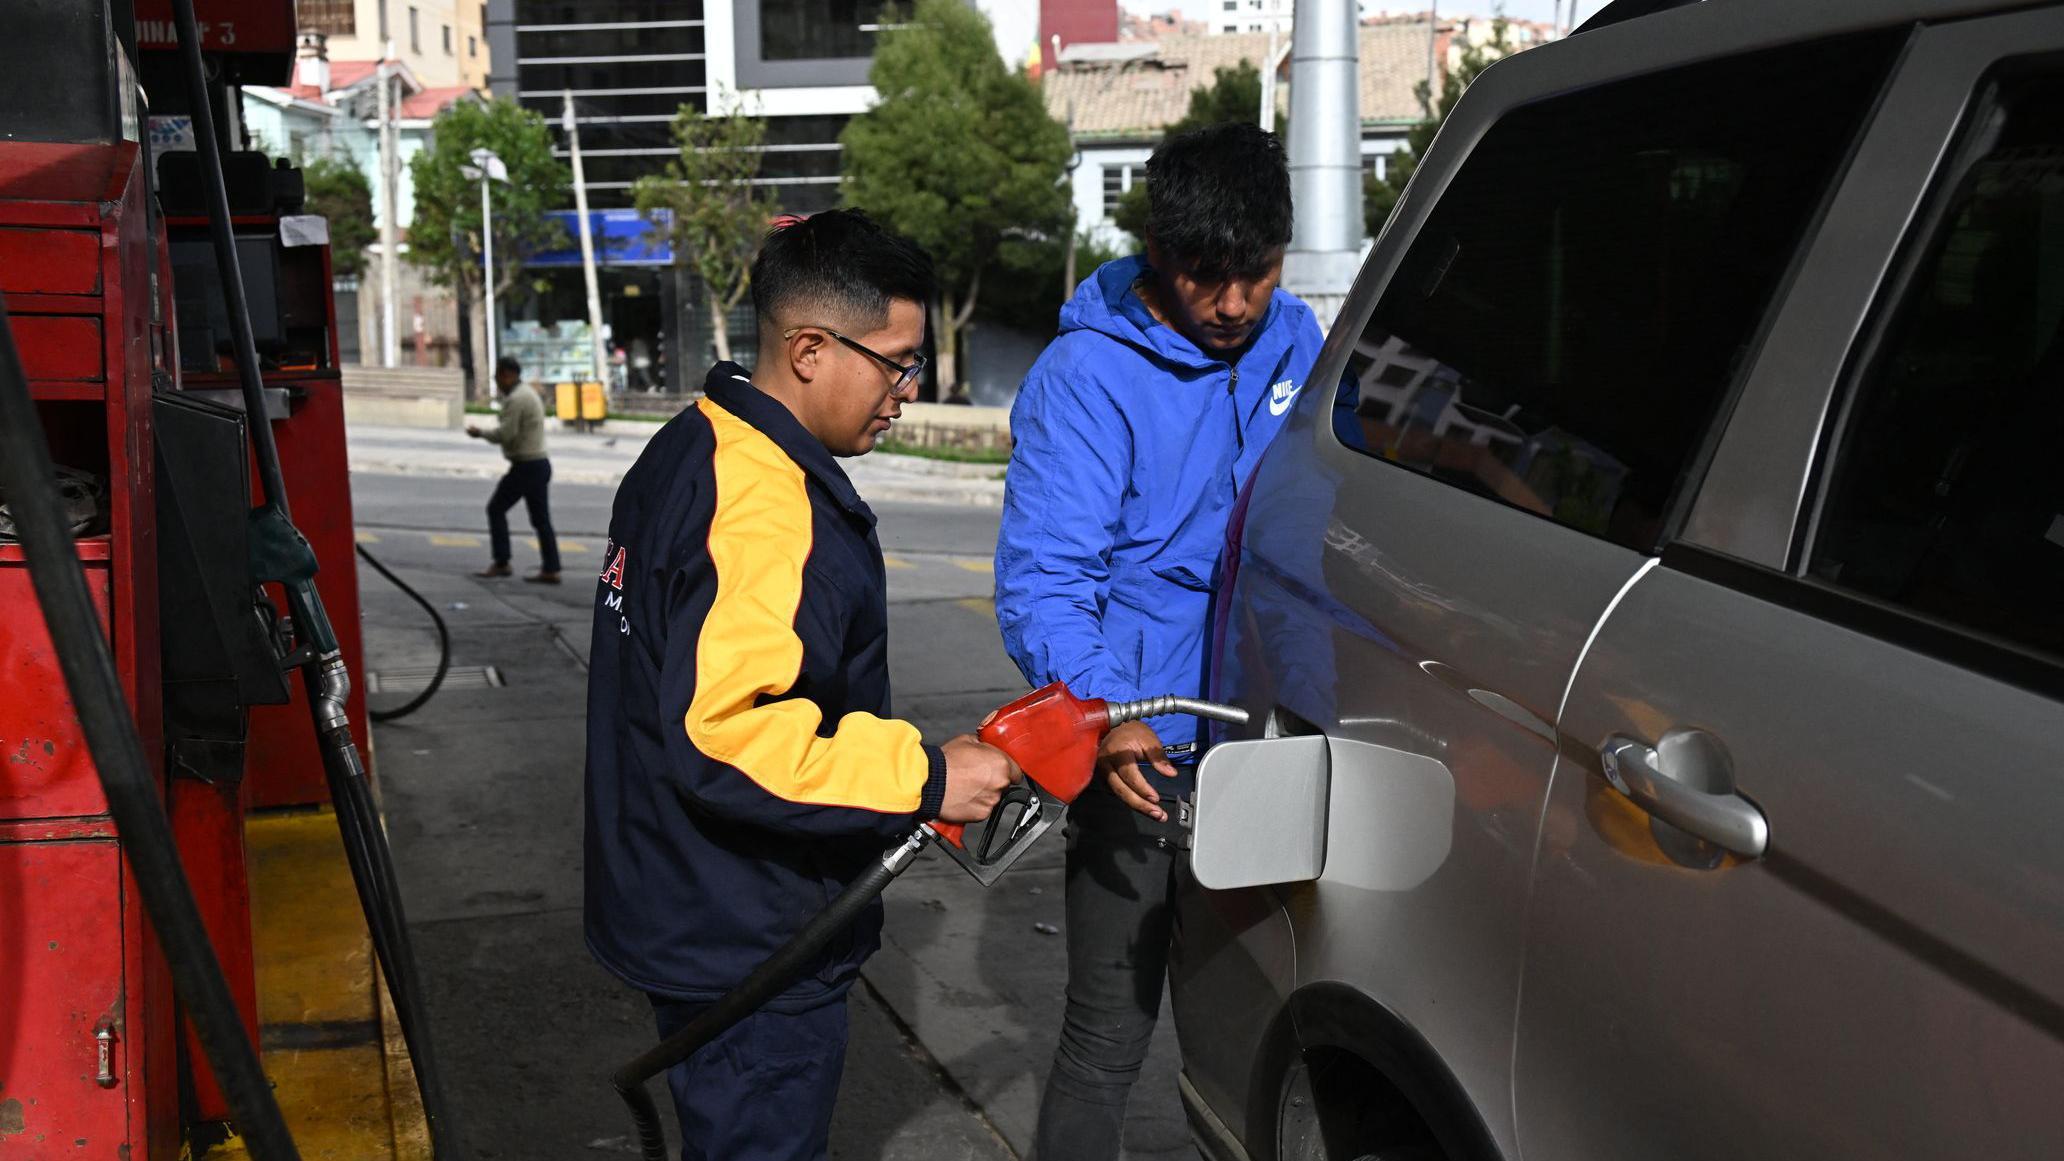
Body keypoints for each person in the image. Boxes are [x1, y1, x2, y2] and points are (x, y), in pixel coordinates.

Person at [583, 209, 1022, 1161]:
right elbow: (724, 733)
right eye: (899, 362)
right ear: (812, 348)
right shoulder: (765, 501)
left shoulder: (695, 441)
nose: (908, 392)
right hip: (749, 933)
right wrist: (925, 775)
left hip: (685, 898)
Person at [994, 122, 1326, 1160]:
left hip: (1268, 749)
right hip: (1139, 765)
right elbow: (1047, 579)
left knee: (1271, 1039)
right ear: (1157, 255)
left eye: (1256, 274)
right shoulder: (1085, 378)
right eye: (1205, 276)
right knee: (1108, 1037)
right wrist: (1109, 722)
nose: (1233, 305)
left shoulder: (1297, 341)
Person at [466, 355, 561, 584]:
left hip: (527, 466)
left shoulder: (517, 398)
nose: (497, 382)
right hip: (538, 463)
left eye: (498, 377)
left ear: (508, 375)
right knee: (541, 520)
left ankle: (502, 562)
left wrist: (480, 433)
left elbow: (505, 434)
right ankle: (551, 567)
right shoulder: (526, 394)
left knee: (496, 509)